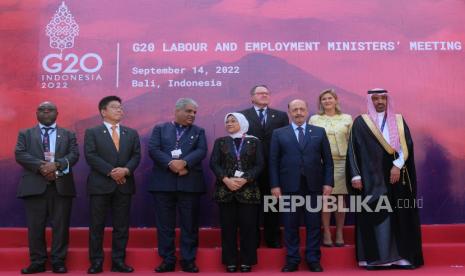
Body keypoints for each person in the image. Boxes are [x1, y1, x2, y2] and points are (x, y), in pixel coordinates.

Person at [346, 88, 424, 270]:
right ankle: (376, 258)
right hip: (370, 178)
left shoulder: (398, 120)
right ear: (369, 101)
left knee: (400, 214)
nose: (379, 101)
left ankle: (402, 257)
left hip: (396, 176)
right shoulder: (360, 122)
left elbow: (407, 145)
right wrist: (356, 174)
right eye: (375, 98)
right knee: (375, 215)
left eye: (382, 98)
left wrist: (397, 166)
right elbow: (352, 150)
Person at [269, 99, 333, 272]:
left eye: (301, 109)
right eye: (295, 109)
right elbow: (273, 162)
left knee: (313, 224)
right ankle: (292, 260)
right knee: (290, 225)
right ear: (289, 112)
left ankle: (313, 259)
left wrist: (328, 183)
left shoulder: (319, 132)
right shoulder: (279, 133)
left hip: (314, 186)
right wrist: (275, 185)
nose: (298, 112)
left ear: (307, 111)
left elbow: (328, 161)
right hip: (288, 186)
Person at [15, 101, 79, 274]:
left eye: (49, 110)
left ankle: (58, 261)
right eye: (41, 110)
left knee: (61, 226)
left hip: (61, 186)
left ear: (57, 113)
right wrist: (42, 166)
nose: (45, 113)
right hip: (34, 186)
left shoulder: (68, 134)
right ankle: (38, 262)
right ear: (36, 113)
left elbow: (74, 155)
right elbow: (20, 154)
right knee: (35, 227)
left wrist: (56, 165)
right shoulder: (26, 133)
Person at [148, 98, 207, 273]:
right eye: (189, 111)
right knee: (165, 225)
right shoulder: (160, 128)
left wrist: (184, 163)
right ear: (177, 111)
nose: (192, 115)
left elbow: (201, 151)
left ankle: (188, 260)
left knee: (189, 224)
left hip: (189, 184)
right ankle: (167, 259)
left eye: (195, 112)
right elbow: (153, 149)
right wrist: (171, 164)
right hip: (163, 184)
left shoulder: (199, 131)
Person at [84, 96, 141, 274]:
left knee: (121, 227)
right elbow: (91, 156)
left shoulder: (131, 133)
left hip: (124, 184)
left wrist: (125, 171)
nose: (120, 110)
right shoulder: (92, 132)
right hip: (100, 185)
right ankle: (96, 262)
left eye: (121, 108)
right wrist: (112, 172)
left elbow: (136, 156)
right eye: (115, 107)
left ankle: (118, 262)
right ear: (103, 111)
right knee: (96, 226)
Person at [210, 112, 264, 273]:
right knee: (228, 228)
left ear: (242, 122)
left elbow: (260, 164)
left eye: (233, 121)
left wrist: (245, 179)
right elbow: (214, 163)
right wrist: (226, 179)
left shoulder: (254, 142)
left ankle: (247, 261)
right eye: (227, 121)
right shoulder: (220, 142)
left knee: (248, 228)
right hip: (225, 190)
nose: (229, 123)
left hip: (248, 190)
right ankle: (230, 261)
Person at [240, 84, 288, 248]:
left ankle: (272, 238)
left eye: (267, 93)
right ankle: (252, 239)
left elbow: (285, 142)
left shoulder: (280, 116)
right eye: (260, 93)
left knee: (272, 204)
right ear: (252, 97)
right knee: (251, 207)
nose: (264, 95)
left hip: (273, 168)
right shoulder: (242, 115)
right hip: (250, 168)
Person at [309, 89, 352, 247]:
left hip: (342, 162)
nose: (327, 101)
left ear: (336, 100)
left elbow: (352, 141)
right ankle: (326, 232)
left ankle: (339, 232)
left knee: (340, 199)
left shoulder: (347, 118)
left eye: (330, 98)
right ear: (320, 102)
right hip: (321, 163)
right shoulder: (314, 118)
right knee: (326, 199)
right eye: (324, 99)